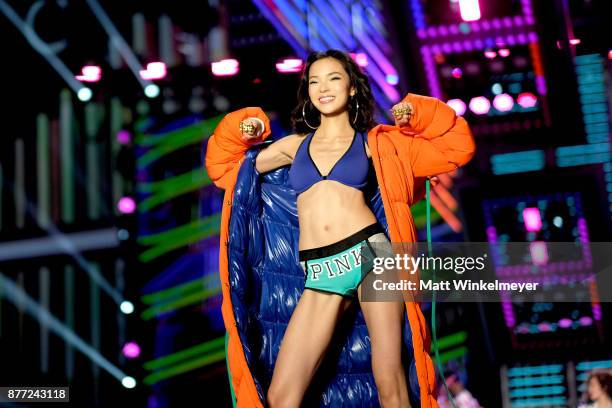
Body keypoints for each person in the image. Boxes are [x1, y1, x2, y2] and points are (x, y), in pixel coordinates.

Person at [205, 49, 476, 407]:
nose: (323, 87)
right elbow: (227, 173)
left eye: (333, 78)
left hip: (372, 257)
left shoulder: (378, 143)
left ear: (351, 88)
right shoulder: (293, 146)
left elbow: (456, 147)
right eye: (314, 80)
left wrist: (416, 114)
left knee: (390, 381)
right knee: (281, 396)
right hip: (320, 270)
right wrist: (244, 130)